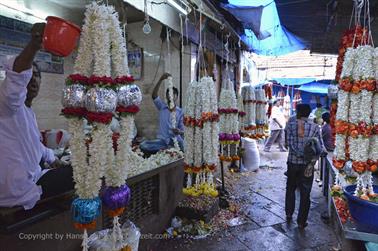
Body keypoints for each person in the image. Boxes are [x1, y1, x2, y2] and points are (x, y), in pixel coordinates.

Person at [0, 23, 73, 210]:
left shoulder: (27, 112)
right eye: (29, 74)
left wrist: (53, 158)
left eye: (38, 74)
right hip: (17, 191)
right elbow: (15, 79)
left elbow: (34, 145)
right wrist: (34, 44)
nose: (33, 78)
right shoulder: (8, 104)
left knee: (72, 171)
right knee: (79, 175)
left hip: (32, 179)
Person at [285, 104, 325, 229]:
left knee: (290, 188)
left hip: (292, 162)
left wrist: (298, 153)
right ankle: (301, 221)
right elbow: (320, 146)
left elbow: (288, 144)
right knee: (305, 192)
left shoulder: (290, 125)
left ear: (297, 112)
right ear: (308, 114)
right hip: (308, 165)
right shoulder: (315, 127)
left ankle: (289, 213)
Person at [140, 73, 184, 154]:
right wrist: (160, 79)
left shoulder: (180, 112)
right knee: (143, 145)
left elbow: (183, 131)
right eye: (169, 94)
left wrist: (179, 132)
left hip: (175, 141)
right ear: (166, 96)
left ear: (176, 97)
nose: (171, 96)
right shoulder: (162, 107)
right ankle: (166, 149)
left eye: (173, 94)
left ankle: (171, 150)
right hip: (162, 141)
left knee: (185, 147)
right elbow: (154, 95)